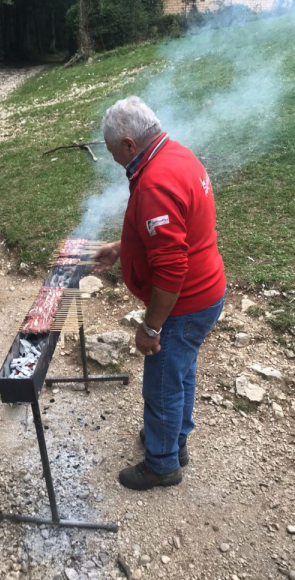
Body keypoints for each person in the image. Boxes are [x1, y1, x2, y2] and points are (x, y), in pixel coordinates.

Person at [93, 96, 226, 491]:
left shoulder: (154, 183)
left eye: (114, 152)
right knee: (179, 371)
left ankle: (163, 463)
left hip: (184, 303)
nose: (115, 160)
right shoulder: (176, 153)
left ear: (130, 144)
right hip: (206, 291)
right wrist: (122, 249)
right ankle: (174, 440)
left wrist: (151, 327)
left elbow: (171, 270)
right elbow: (171, 233)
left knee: (163, 383)